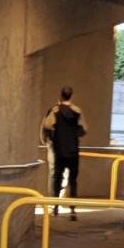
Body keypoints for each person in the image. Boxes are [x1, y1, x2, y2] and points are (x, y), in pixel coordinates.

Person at [40, 86, 88, 220]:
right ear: (71, 96)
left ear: (61, 96)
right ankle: (73, 211)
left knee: (57, 178)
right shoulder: (77, 111)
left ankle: (55, 207)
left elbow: (48, 125)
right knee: (73, 180)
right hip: (73, 150)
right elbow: (84, 129)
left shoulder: (55, 111)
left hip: (59, 150)